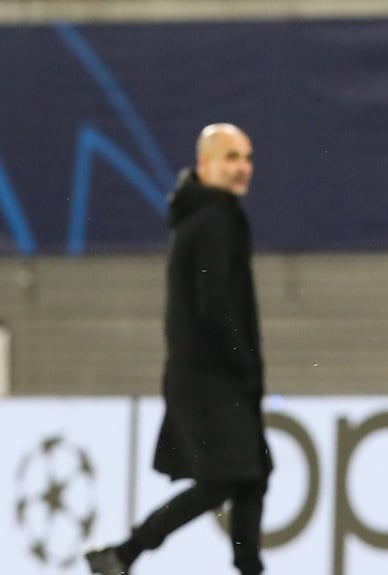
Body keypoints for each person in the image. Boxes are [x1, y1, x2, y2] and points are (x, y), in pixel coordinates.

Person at [85, 124, 272, 575]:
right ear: (205, 164)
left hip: (209, 376)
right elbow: (216, 305)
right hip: (212, 378)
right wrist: (244, 364)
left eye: (246, 158)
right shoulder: (213, 219)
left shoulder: (206, 214)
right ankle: (123, 553)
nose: (242, 168)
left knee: (252, 474)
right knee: (225, 479)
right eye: (231, 158)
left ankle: (127, 555)